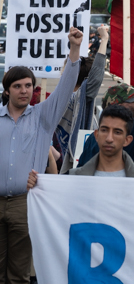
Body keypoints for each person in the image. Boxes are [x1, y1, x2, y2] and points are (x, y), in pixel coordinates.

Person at [0, 28, 83, 283]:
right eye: (17, 86)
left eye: (28, 85)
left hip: (25, 205)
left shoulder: (43, 117)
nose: (24, 90)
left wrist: (75, 49)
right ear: (7, 91)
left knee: (19, 274)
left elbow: (66, 87)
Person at [56, 23, 108, 172]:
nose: (63, 72)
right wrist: (104, 40)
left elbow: (94, 78)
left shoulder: (72, 98)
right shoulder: (74, 99)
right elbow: (96, 77)